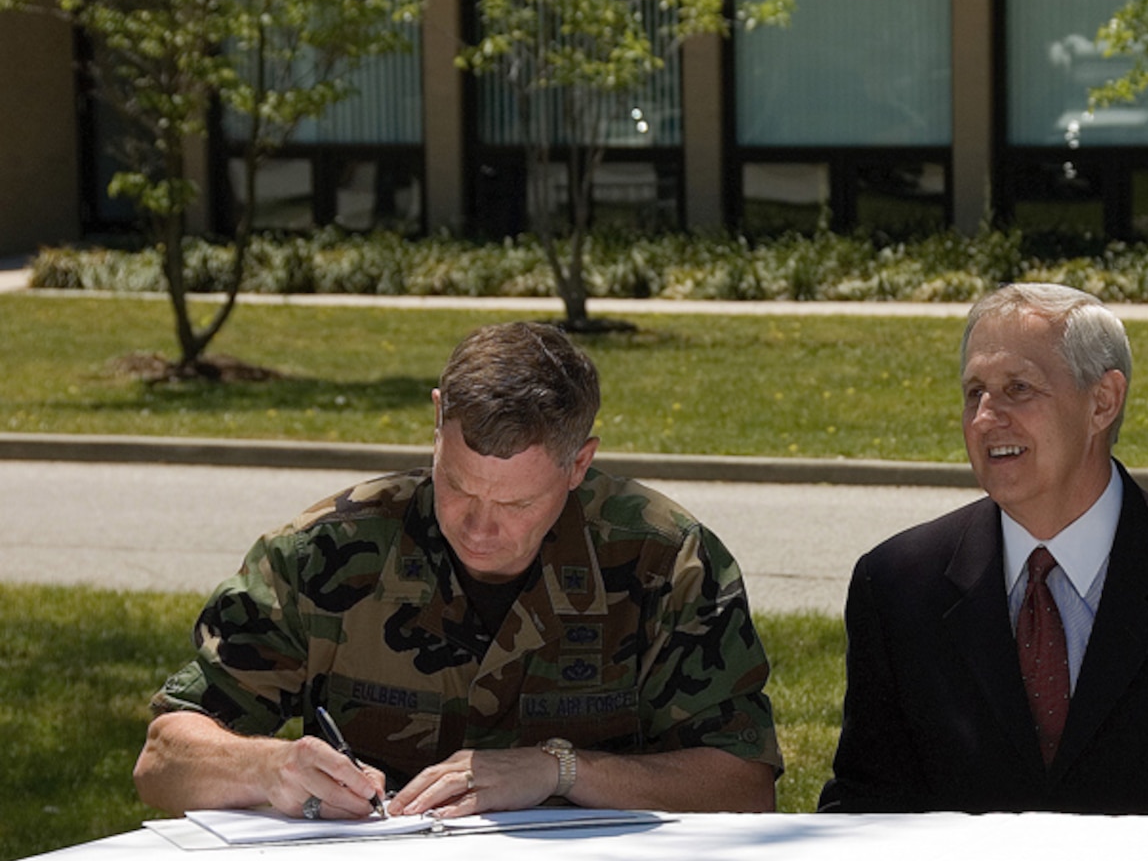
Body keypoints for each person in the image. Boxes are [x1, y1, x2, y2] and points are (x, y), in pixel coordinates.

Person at [135, 321, 781, 819]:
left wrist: (560, 771)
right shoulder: (325, 554)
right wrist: (270, 766)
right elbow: (163, 757)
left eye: (516, 503)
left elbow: (744, 782)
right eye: (458, 487)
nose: (479, 526)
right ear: (436, 419)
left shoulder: (666, 561)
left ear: (579, 466)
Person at [819, 283, 1148, 815]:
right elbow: (864, 810)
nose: (986, 418)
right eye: (974, 392)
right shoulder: (897, 587)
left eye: (1018, 388)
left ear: (1103, 401)